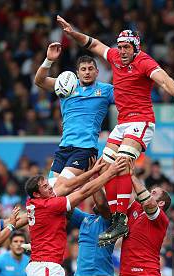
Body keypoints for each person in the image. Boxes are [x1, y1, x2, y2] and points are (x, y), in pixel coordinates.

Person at [56, 15, 174, 246]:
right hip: (122, 124)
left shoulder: (144, 61)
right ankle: (116, 217)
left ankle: (120, 218)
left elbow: (163, 78)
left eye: (126, 47)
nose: (121, 51)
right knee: (101, 169)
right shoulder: (114, 57)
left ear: (135, 48)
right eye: (120, 46)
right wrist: (72, 33)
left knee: (122, 163)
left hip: (141, 121)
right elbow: (93, 44)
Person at [34, 42, 114, 194]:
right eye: (83, 69)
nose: (87, 72)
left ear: (97, 72)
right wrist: (49, 60)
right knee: (48, 192)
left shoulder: (106, 90)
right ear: (77, 73)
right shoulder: (68, 85)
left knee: (57, 191)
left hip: (85, 149)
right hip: (64, 148)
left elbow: (128, 98)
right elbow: (39, 81)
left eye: (91, 69)